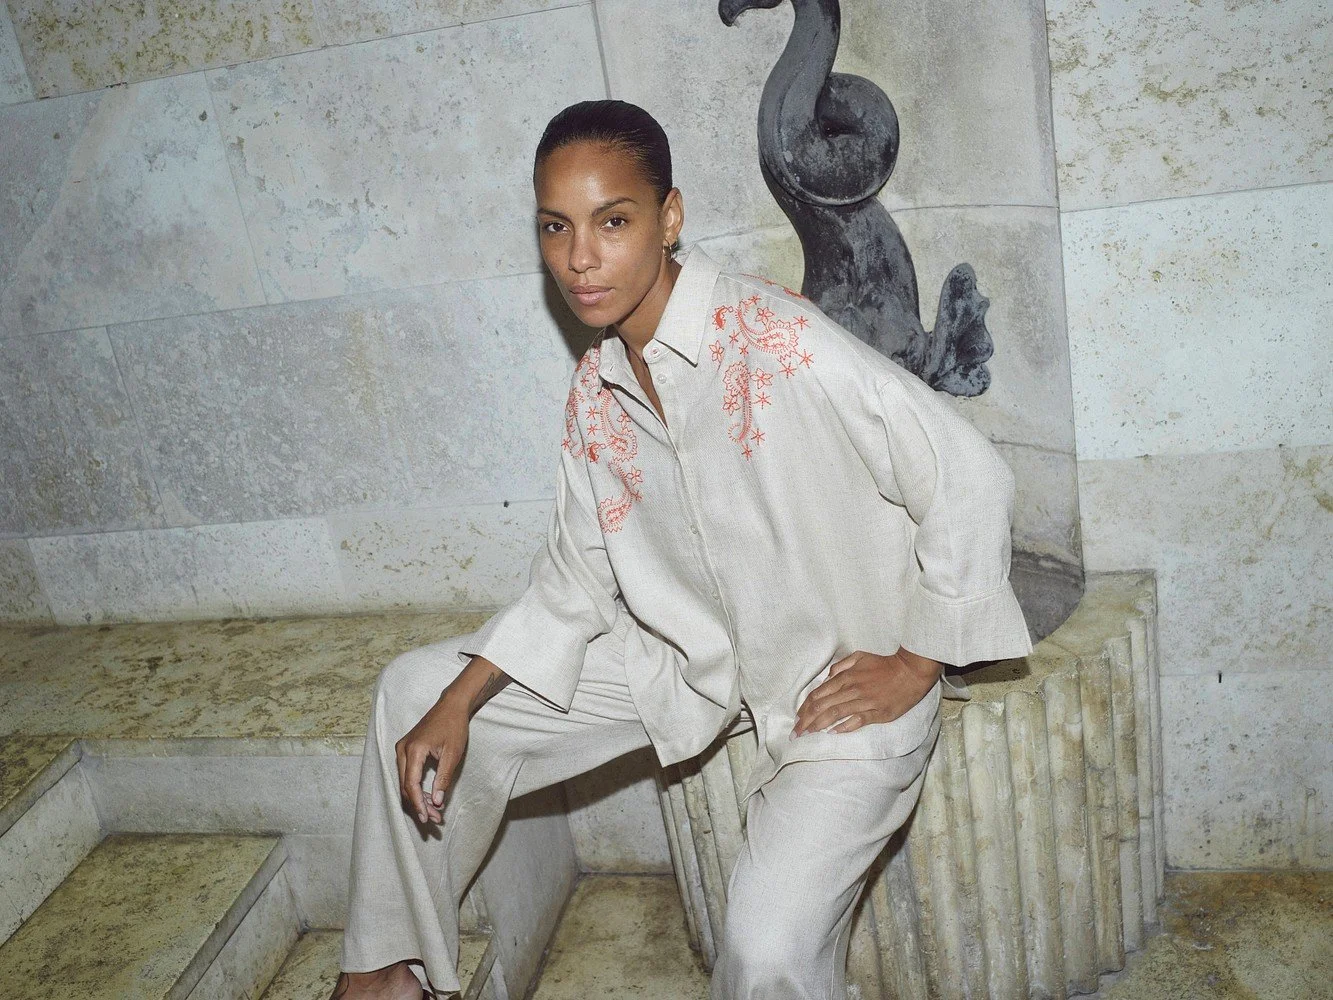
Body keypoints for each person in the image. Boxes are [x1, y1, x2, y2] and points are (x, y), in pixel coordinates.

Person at [332, 99, 1033, 1000]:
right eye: (556, 227)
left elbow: (967, 473)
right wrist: (459, 700)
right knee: (413, 690)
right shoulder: (596, 387)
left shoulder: (774, 338)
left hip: (834, 674)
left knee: (767, 950)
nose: (579, 258)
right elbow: (575, 578)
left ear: (669, 219)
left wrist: (916, 661)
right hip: (688, 664)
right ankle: (384, 974)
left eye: (612, 222)